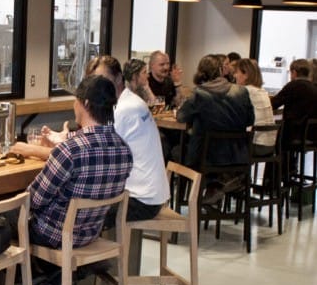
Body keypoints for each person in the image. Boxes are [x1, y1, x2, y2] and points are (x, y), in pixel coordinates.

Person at [16, 74, 133, 250]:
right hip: (90, 234)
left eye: (75, 100)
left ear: (85, 103)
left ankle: (24, 276)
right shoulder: (124, 150)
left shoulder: (70, 151)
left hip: (54, 235)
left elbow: (33, 200)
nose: (74, 105)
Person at [176, 54, 254, 203]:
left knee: (176, 152)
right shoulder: (241, 91)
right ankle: (221, 182)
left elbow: (181, 117)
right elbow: (250, 120)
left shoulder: (200, 94)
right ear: (220, 71)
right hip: (238, 156)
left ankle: (185, 200)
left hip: (206, 157)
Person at [111, 58, 170, 222]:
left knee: (88, 212)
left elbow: (104, 148)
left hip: (142, 201)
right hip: (152, 195)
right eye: (144, 73)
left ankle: (109, 248)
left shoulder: (127, 107)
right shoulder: (134, 102)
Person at [270, 58, 317, 152]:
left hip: (293, 135)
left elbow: (274, 104)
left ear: (294, 72)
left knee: (275, 139)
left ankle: (282, 166)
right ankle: (291, 165)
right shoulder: (314, 88)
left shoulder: (293, 86)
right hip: (312, 135)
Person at [234, 58, 276, 157]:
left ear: (246, 75)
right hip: (270, 145)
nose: (234, 75)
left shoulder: (244, 91)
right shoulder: (263, 91)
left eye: (237, 72)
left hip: (255, 145)